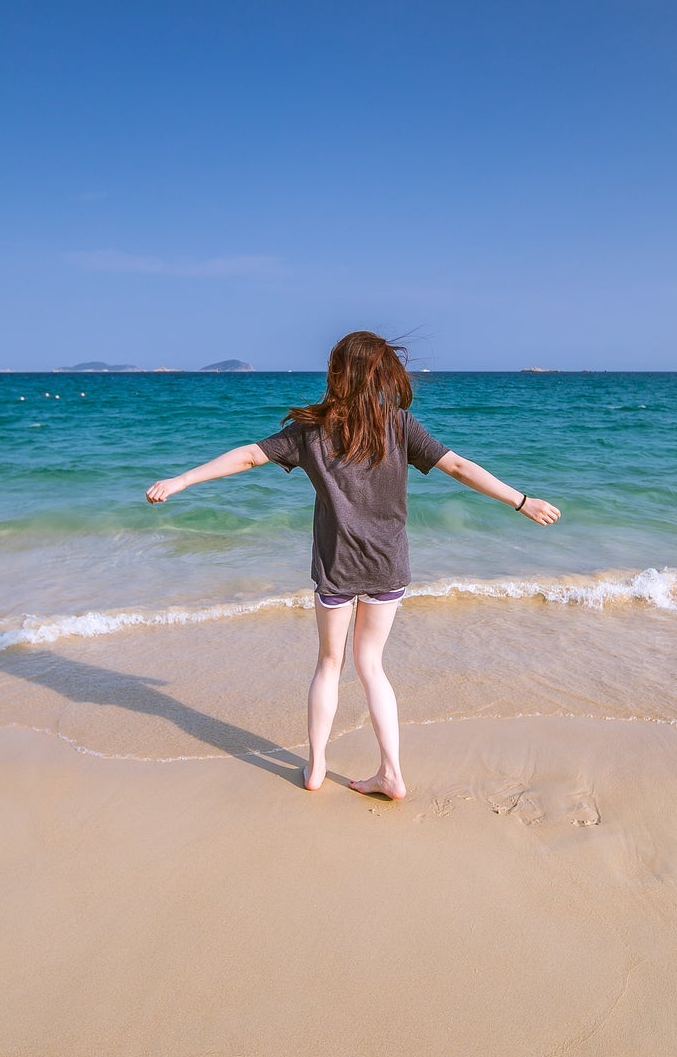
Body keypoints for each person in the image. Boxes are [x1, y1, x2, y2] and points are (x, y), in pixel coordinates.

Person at [145, 331, 559, 799]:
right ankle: (392, 773)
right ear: (381, 374)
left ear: (336, 372)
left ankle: (317, 767)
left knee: (329, 663)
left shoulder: (310, 429)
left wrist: (182, 480)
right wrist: (521, 501)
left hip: (337, 565)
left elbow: (247, 457)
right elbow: (459, 468)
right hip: (387, 566)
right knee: (371, 666)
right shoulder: (400, 424)